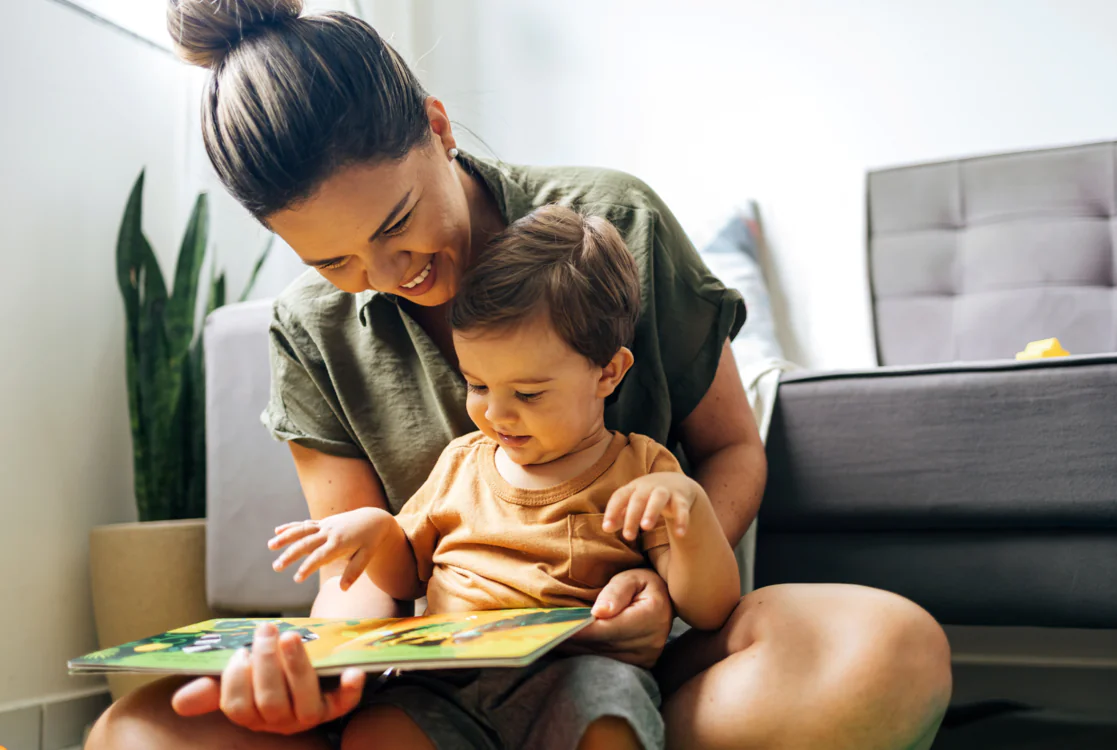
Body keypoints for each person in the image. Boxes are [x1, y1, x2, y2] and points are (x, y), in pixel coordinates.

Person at [87, 1, 952, 748]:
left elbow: (731, 450)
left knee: (890, 652)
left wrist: (665, 578)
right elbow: (357, 578)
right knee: (137, 732)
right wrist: (317, 676)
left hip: (630, 658)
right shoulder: (308, 328)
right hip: (436, 684)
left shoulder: (615, 222)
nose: (389, 274)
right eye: (337, 260)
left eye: (398, 224)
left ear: (437, 125)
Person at [265, 204, 742, 749]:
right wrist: (376, 533)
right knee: (378, 731)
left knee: (610, 719)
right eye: (478, 385)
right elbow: (407, 580)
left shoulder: (642, 471)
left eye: (529, 393)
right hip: (447, 682)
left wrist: (691, 512)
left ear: (608, 373)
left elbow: (711, 607)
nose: (497, 414)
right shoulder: (461, 463)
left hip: (576, 676)